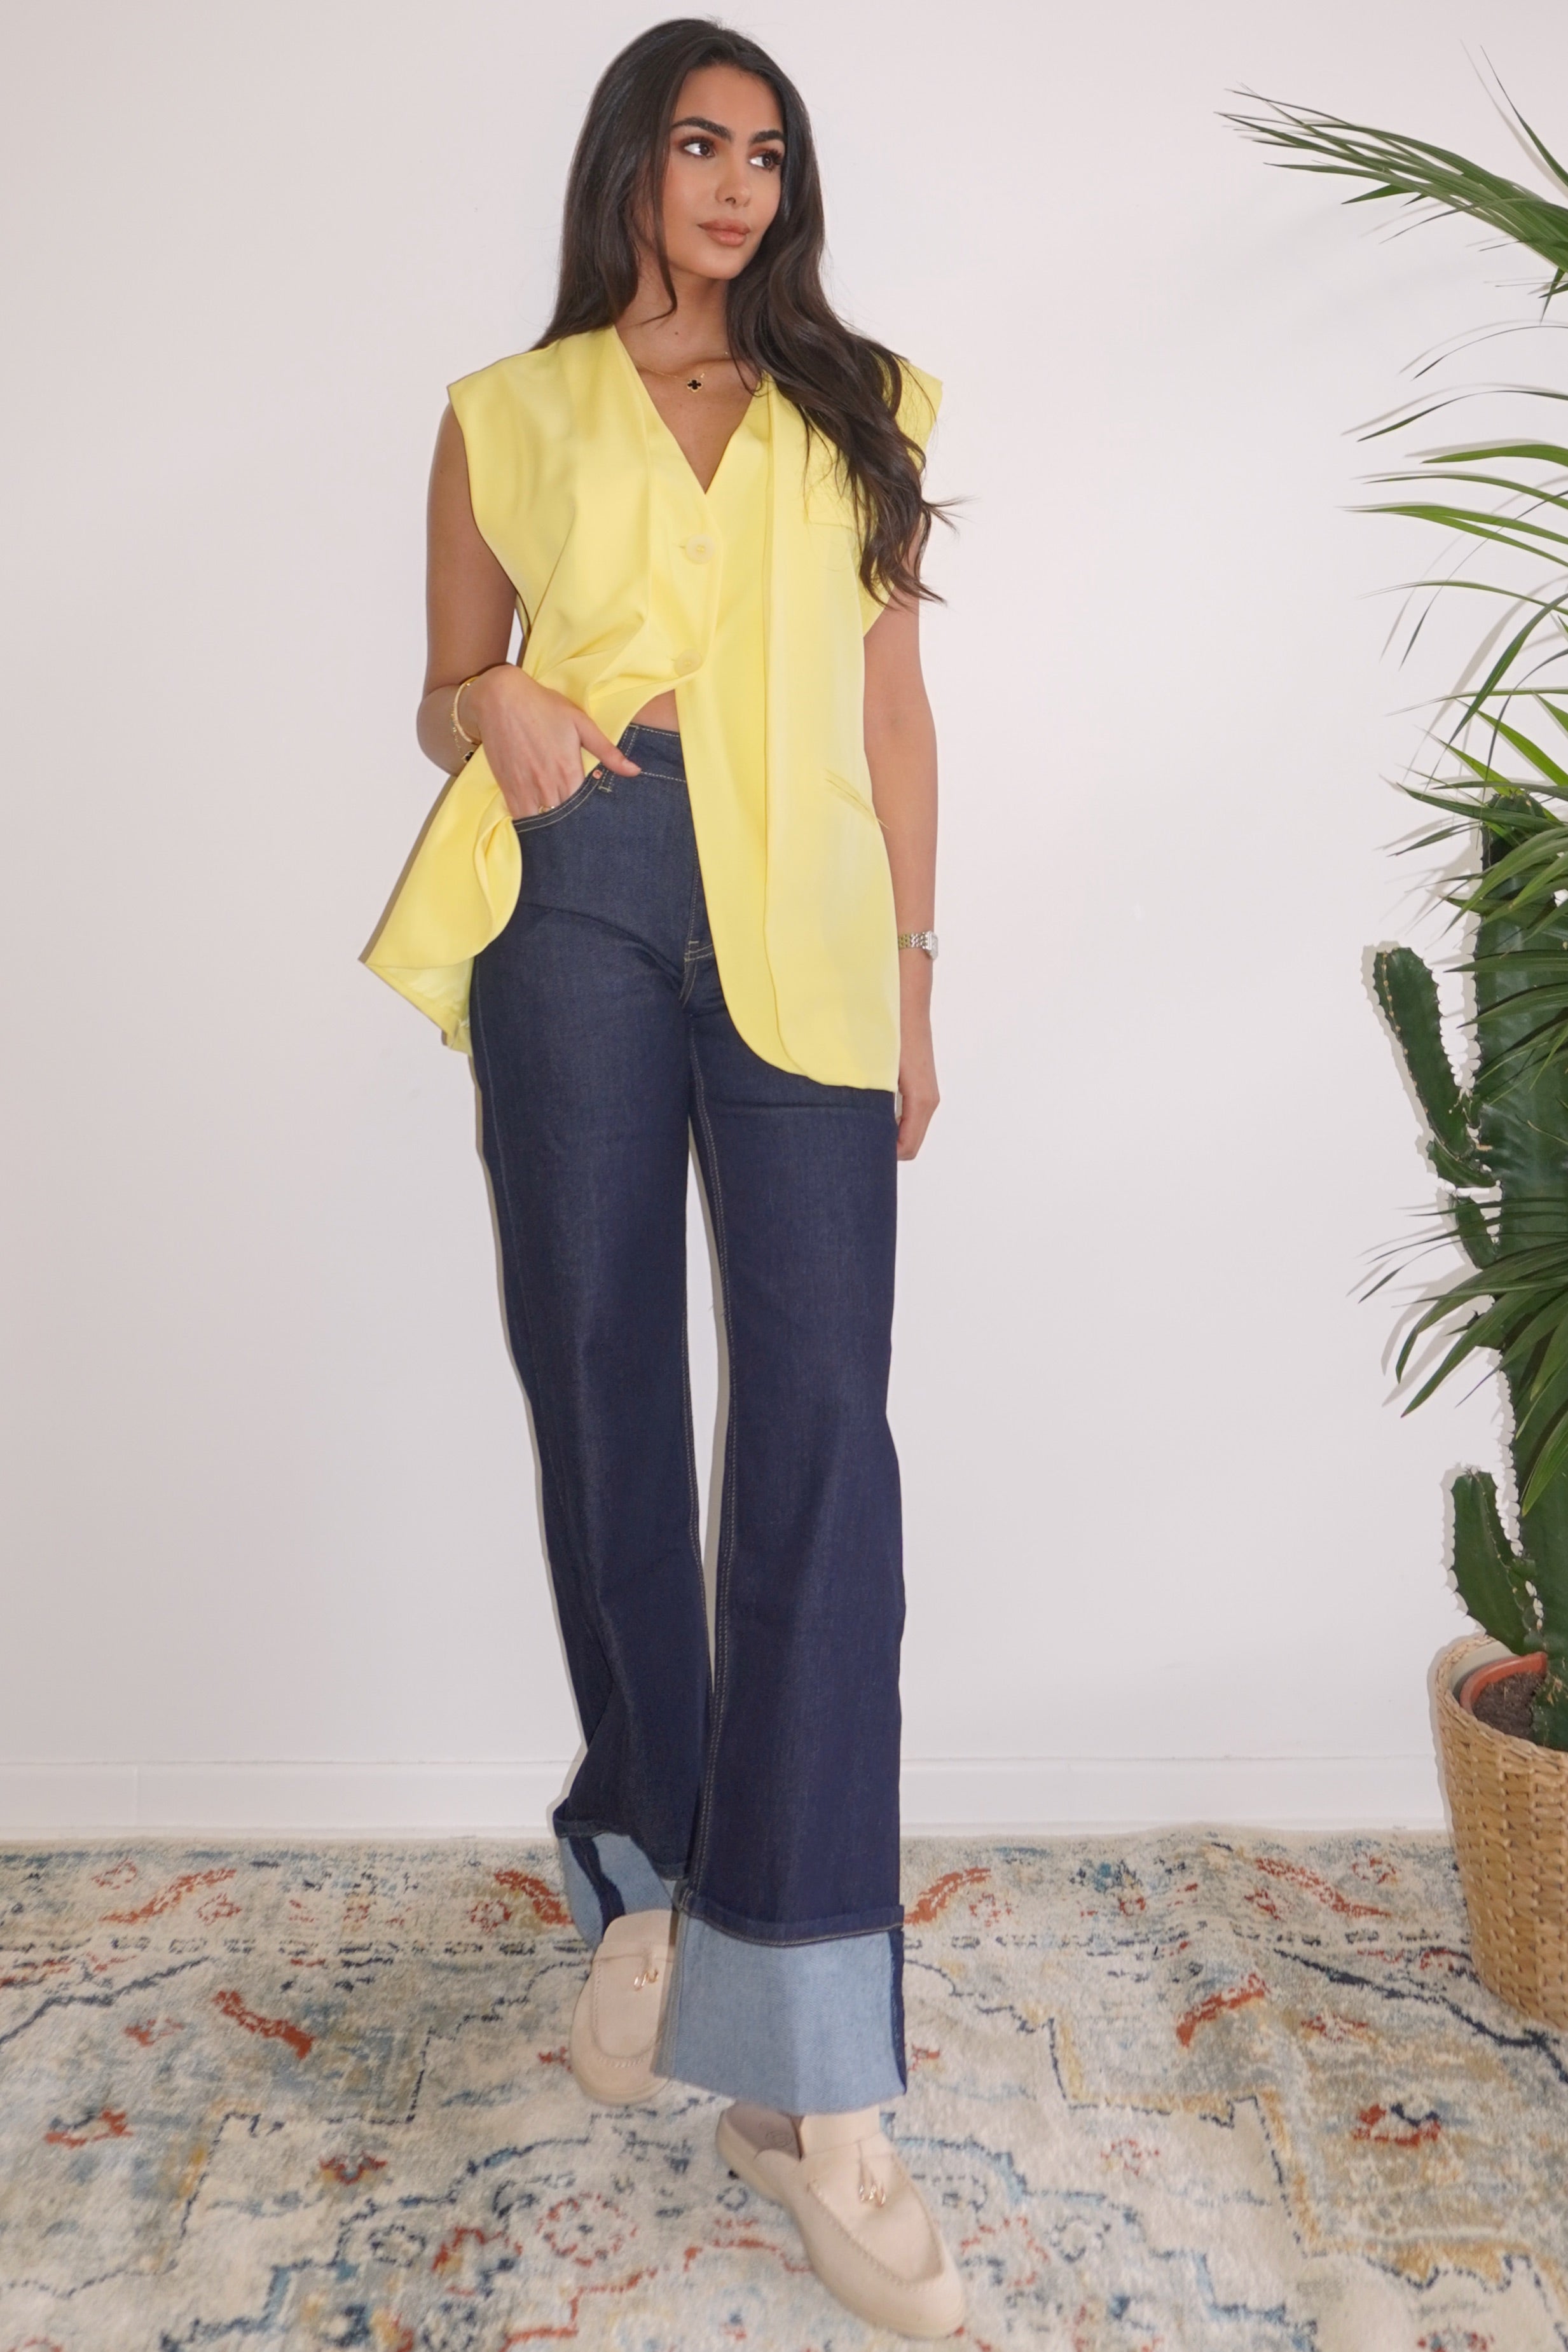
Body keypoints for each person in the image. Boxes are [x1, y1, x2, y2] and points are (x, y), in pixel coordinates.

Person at [366, 18, 958, 2336]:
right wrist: (491, 702)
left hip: (803, 907)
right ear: (631, 163)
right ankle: (654, 1864)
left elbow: (893, 706)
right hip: (579, 889)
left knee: (817, 1428)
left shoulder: (860, 402)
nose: (735, 182)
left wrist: (915, 976)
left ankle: (812, 2070)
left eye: (767, 152)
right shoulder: (503, 412)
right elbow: (450, 686)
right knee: (601, 1372)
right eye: (700, 142)